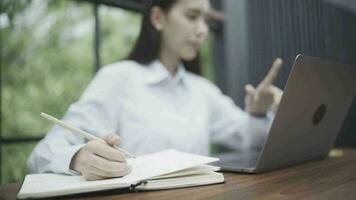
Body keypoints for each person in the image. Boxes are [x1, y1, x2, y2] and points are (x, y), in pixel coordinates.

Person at [27, 0, 283, 181]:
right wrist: (79, 158)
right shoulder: (119, 78)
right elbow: (43, 153)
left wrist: (259, 113)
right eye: (192, 16)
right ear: (158, 18)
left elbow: (251, 138)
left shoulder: (202, 90)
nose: (203, 30)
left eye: (206, 19)